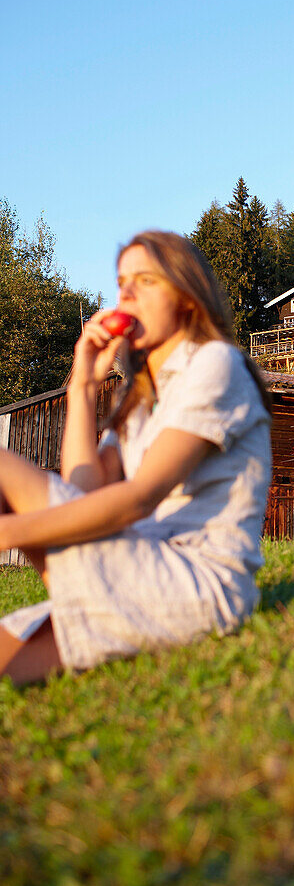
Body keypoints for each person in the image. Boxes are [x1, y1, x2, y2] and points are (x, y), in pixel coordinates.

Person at [0, 230, 272, 686]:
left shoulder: (215, 364)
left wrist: (9, 531)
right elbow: (84, 492)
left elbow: (139, 499)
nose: (126, 294)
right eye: (122, 282)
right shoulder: (141, 393)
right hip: (140, 566)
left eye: (145, 280)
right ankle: (86, 599)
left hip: (198, 584)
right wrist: (82, 389)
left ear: (186, 297)